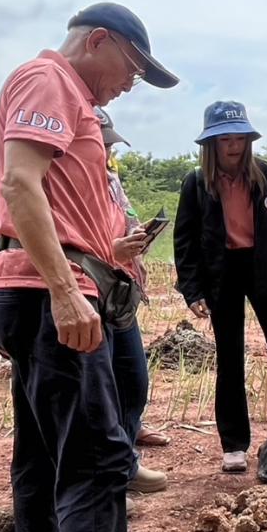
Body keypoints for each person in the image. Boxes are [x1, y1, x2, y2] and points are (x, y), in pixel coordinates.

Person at [0, 2, 179, 532]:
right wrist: (66, 290)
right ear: (98, 41)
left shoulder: (61, 95)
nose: (129, 85)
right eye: (131, 67)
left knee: (42, 451)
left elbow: (54, 198)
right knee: (96, 458)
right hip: (45, 293)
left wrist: (109, 249)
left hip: (30, 286)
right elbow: (18, 183)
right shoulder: (51, 79)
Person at [173, 101, 267, 474]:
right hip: (222, 273)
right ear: (211, 144)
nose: (233, 146)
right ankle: (233, 444)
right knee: (229, 357)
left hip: (262, 268)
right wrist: (192, 289)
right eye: (225, 140)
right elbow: (184, 240)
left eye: (239, 138)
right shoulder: (197, 183)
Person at [97, 108, 168, 496]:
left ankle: (124, 460)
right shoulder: (72, 182)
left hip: (120, 291)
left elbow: (124, 216)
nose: (108, 152)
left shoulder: (110, 180)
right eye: (104, 144)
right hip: (94, 288)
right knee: (104, 383)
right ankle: (113, 473)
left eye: (110, 145)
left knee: (132, 380)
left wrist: (135, 237)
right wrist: (113, 249)